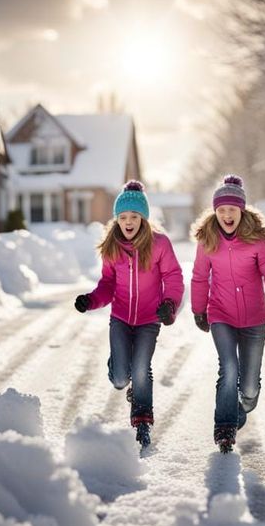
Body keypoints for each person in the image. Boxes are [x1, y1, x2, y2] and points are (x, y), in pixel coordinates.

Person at [73, 181, 184, 450]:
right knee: (122, 378)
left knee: (142, 370)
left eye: (134, 217)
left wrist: (169, 304)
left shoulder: (159, 244)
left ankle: (142, 422)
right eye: (123, 217)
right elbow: (108, 285)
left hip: (149, 319)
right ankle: (118, 367)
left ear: (143, 219)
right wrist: (90, 301)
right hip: (121, 318)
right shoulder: (112, 247)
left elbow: (174, 277)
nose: (129, 222)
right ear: (117, 220)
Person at [189, 173, 265, 452]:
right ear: (215, 212)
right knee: (228, 367)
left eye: (231, 210)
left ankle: (240, 409)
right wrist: (199, 309)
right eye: (221, 210)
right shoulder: (207, 240)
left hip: (254, 319)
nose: (226, 215)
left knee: (249, 389)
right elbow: (199, 277)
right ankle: (224, 428)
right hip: (220, 314)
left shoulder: (257, 240)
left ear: (241, 210)